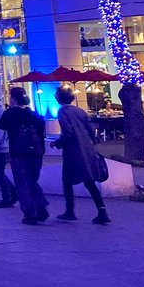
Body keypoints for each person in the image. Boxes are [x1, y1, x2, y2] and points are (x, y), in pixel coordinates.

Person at [52, 86, 110, 224]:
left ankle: (70, 210)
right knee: (89, 181)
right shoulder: (79, 110)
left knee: (67, 180)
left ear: (59, 98)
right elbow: (91, 128)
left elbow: (68, 133)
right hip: (87, 148)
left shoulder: (63, 112)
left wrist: (57, 143)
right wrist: (91, 142)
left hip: (73, 151)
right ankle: (102, 211)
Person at [0, 86, 48, 225]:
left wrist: (10, 109)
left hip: (19, 152)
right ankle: (41, 207)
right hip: (36, 153)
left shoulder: (11, 114)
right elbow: (41, 132)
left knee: (22, 182)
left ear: (13, 99)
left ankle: (30, 213)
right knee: (33, 181)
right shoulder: (33, 114)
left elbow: (1, 124)